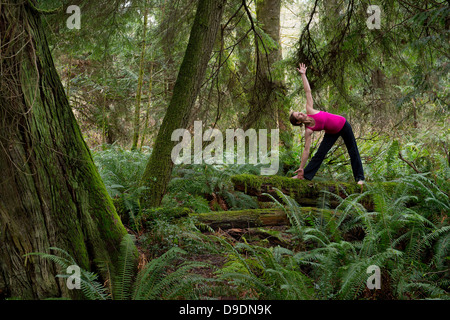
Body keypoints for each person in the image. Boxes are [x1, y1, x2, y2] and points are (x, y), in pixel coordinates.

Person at [290, 63, 365, 186]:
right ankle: (303, 175)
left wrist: (303, 75)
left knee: (353, 151)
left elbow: (307, 91)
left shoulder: (309, 110)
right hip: (331, 132)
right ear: (298, 122)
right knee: (320, 154)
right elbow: (306, 150)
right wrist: (301, 167)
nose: (301, 113)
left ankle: (360, 178)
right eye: (298, 115)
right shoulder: (308, 130)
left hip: (343, 124)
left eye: (299, 112)